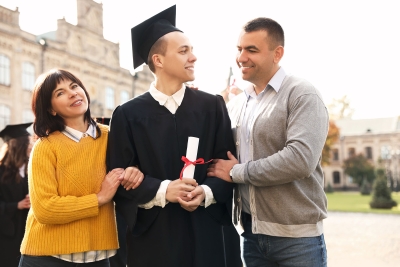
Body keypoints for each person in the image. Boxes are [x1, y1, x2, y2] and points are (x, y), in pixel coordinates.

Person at [107, 5, 242, 267]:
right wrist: (163, 190)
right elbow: (119, 182)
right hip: (156, 242)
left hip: (208, 234)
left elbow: (227, 167)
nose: (194, 57)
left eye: (191, 50)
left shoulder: (211, 106)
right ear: (158, 60)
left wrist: (205, 192)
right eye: (184, 51)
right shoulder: (128, 115)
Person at [207, 17, 329, 267]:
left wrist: (237, 173)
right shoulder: (239, 104)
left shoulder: (301, 93)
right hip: (251, 236)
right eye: (239, 49)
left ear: (277, 53)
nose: (242, 57)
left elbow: (300, 160)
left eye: (252, 50)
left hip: (297, 241)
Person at [19, 69, 143, 267]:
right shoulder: (46, 147)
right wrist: (99, 198)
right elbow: (45, 209)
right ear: (51, 109)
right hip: (47, 258)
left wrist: (135, 171)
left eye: (74, 86)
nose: (72, 93)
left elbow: (134, 169)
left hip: (98, 258)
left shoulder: (112, 137)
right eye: (60, 93)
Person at [0, 123, 33, 266]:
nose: (32, 146)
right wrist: (17, 205)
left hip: (27, 233)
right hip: (7, 234)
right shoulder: (1, 172)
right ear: (20, 146)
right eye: (29, 143)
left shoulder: (30, 170)